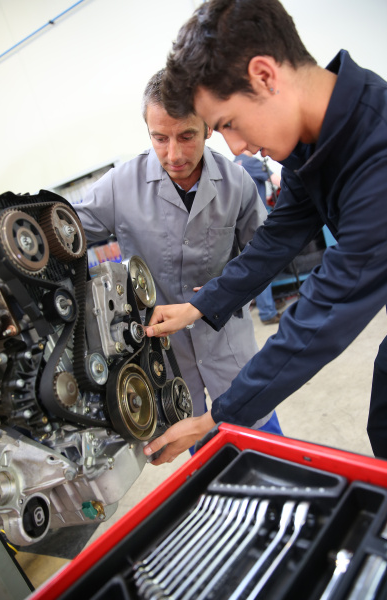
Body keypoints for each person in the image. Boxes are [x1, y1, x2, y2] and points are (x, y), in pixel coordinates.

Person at [142, 0, 387, 464]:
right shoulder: (313, 143)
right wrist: (200, 304)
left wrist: (217, 417)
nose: (236, 147)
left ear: (264, 76)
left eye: (228, 124)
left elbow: (321, 316)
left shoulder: (378, 155)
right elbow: (276, 239)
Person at [75, 69, 282, 436]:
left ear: (208, 128)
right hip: (165, 356)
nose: (173, 154)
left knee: (263, 442)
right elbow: (65, 229)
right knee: (201, 457)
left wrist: (228, 294)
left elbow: (264, 256)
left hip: (227, 342)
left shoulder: (237, 184)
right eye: (159, 138)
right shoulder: (121, 186)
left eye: (187, 136)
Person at [234, 150, 282, 325]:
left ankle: (266, 306)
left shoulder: (234, 163)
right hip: (256, 221)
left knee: (252, 265)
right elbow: (278, 180)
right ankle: (268, 312)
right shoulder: (251, 162)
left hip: (240, 224)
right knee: (262, 264)